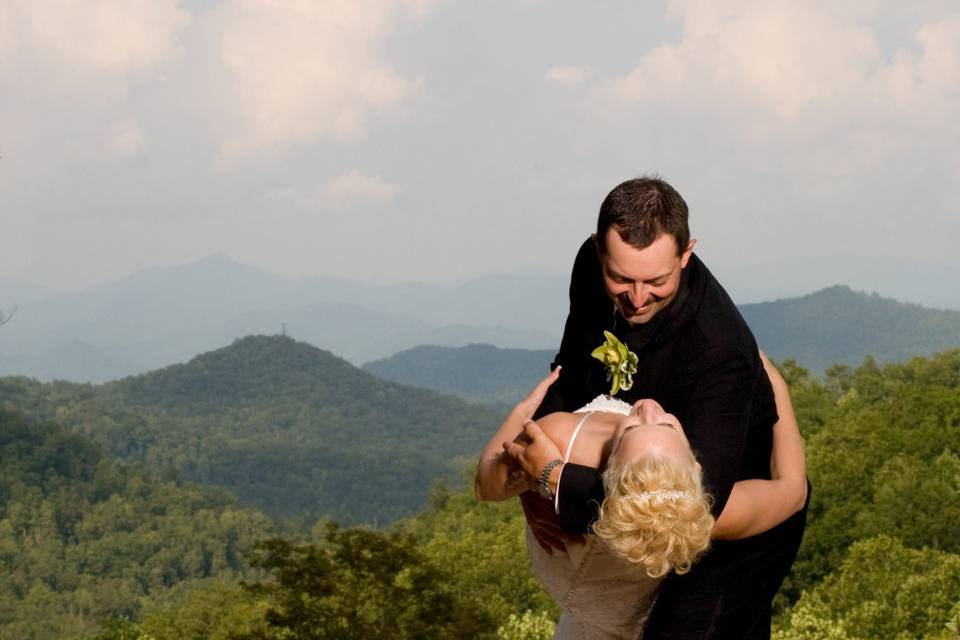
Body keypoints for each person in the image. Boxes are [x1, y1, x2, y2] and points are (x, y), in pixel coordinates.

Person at [511, 176, 810, 638]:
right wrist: (528, 474)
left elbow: (689, 506)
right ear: (598, 250)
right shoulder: (590, 268)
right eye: (620, 277)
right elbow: (571, 370)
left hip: (734, 517)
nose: (636, 297)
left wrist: (553, 478)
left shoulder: (719, 352)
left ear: (687, 254)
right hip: (642, 482)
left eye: (658, 281)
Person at [476, 354, 807, 639]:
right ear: (695, 467)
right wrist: (777, 386)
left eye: (635, 428)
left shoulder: (560, 439)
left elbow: (485, 487)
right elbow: (793, 490)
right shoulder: (706, 519)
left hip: (570, 585)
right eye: (664, 426)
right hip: (627, 611)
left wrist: (529, 438)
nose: (647, 408)